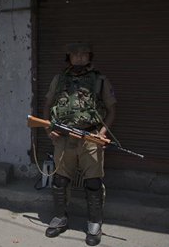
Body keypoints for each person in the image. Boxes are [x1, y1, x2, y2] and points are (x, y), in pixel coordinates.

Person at [42, 42, 116, 246]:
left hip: (91, 138)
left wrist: (101, 133)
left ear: (90, 57)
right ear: (69, 57)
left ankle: (94, 223)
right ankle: (60, 218)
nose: (80, 58)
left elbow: (111, 110)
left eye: (84, 55)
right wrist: (49, 130)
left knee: (93, 182)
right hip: (64, 139)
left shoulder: (100, 80)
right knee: (60, 180)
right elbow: (47, 105)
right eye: (75, 55)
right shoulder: (59, 79)